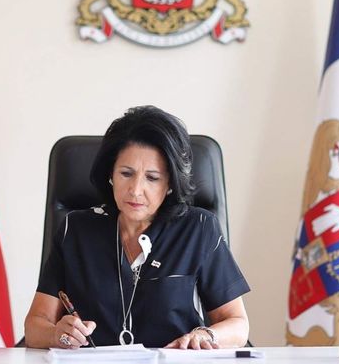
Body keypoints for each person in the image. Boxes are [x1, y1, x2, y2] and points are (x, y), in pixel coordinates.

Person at [24, 106, 250, 349]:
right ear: (110, 174)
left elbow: (237, 325)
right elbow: (35, 326)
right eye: (126, 173)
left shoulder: (199, 228)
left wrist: (207, 335)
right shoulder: (76, 230)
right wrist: (56, 334)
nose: (135, 190)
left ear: (170, 183)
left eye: (152, 178)